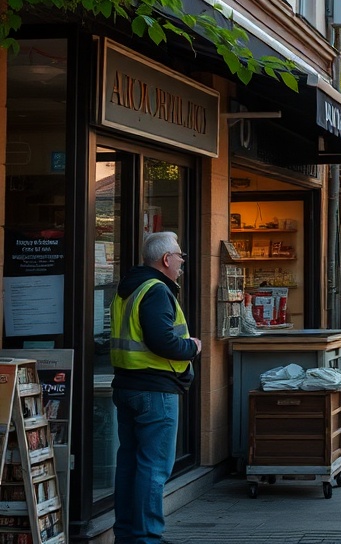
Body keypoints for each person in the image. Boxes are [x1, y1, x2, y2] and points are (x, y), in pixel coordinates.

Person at [111, 231, 201, 544]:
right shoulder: (157, 290)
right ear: (166, 259)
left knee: (129, 463)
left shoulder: (128, 288)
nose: (181, 264)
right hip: (155, 390)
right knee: (153, 467)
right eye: (179, 257)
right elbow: (163, 341)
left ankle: (126, 533)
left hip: (127, 386)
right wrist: (192, 347)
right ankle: (147, 537)